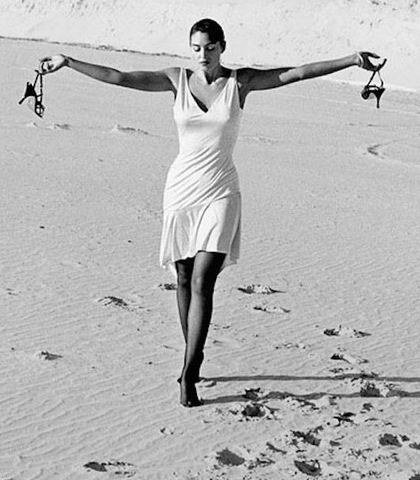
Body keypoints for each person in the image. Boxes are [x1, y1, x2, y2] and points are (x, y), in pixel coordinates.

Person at [39, 18, 384, 407]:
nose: (202, 55)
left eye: (209, 48)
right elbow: (120, 77)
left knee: (204, 279)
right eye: (196, 48)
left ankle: (189, 372)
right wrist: (69, 62)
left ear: (222, 47)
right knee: (184, 277)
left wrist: (351, 60)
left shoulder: (241, 82)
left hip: (221, 191)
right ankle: (194, 350)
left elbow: (297, 73)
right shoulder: (175, 80)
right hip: (181, 191)